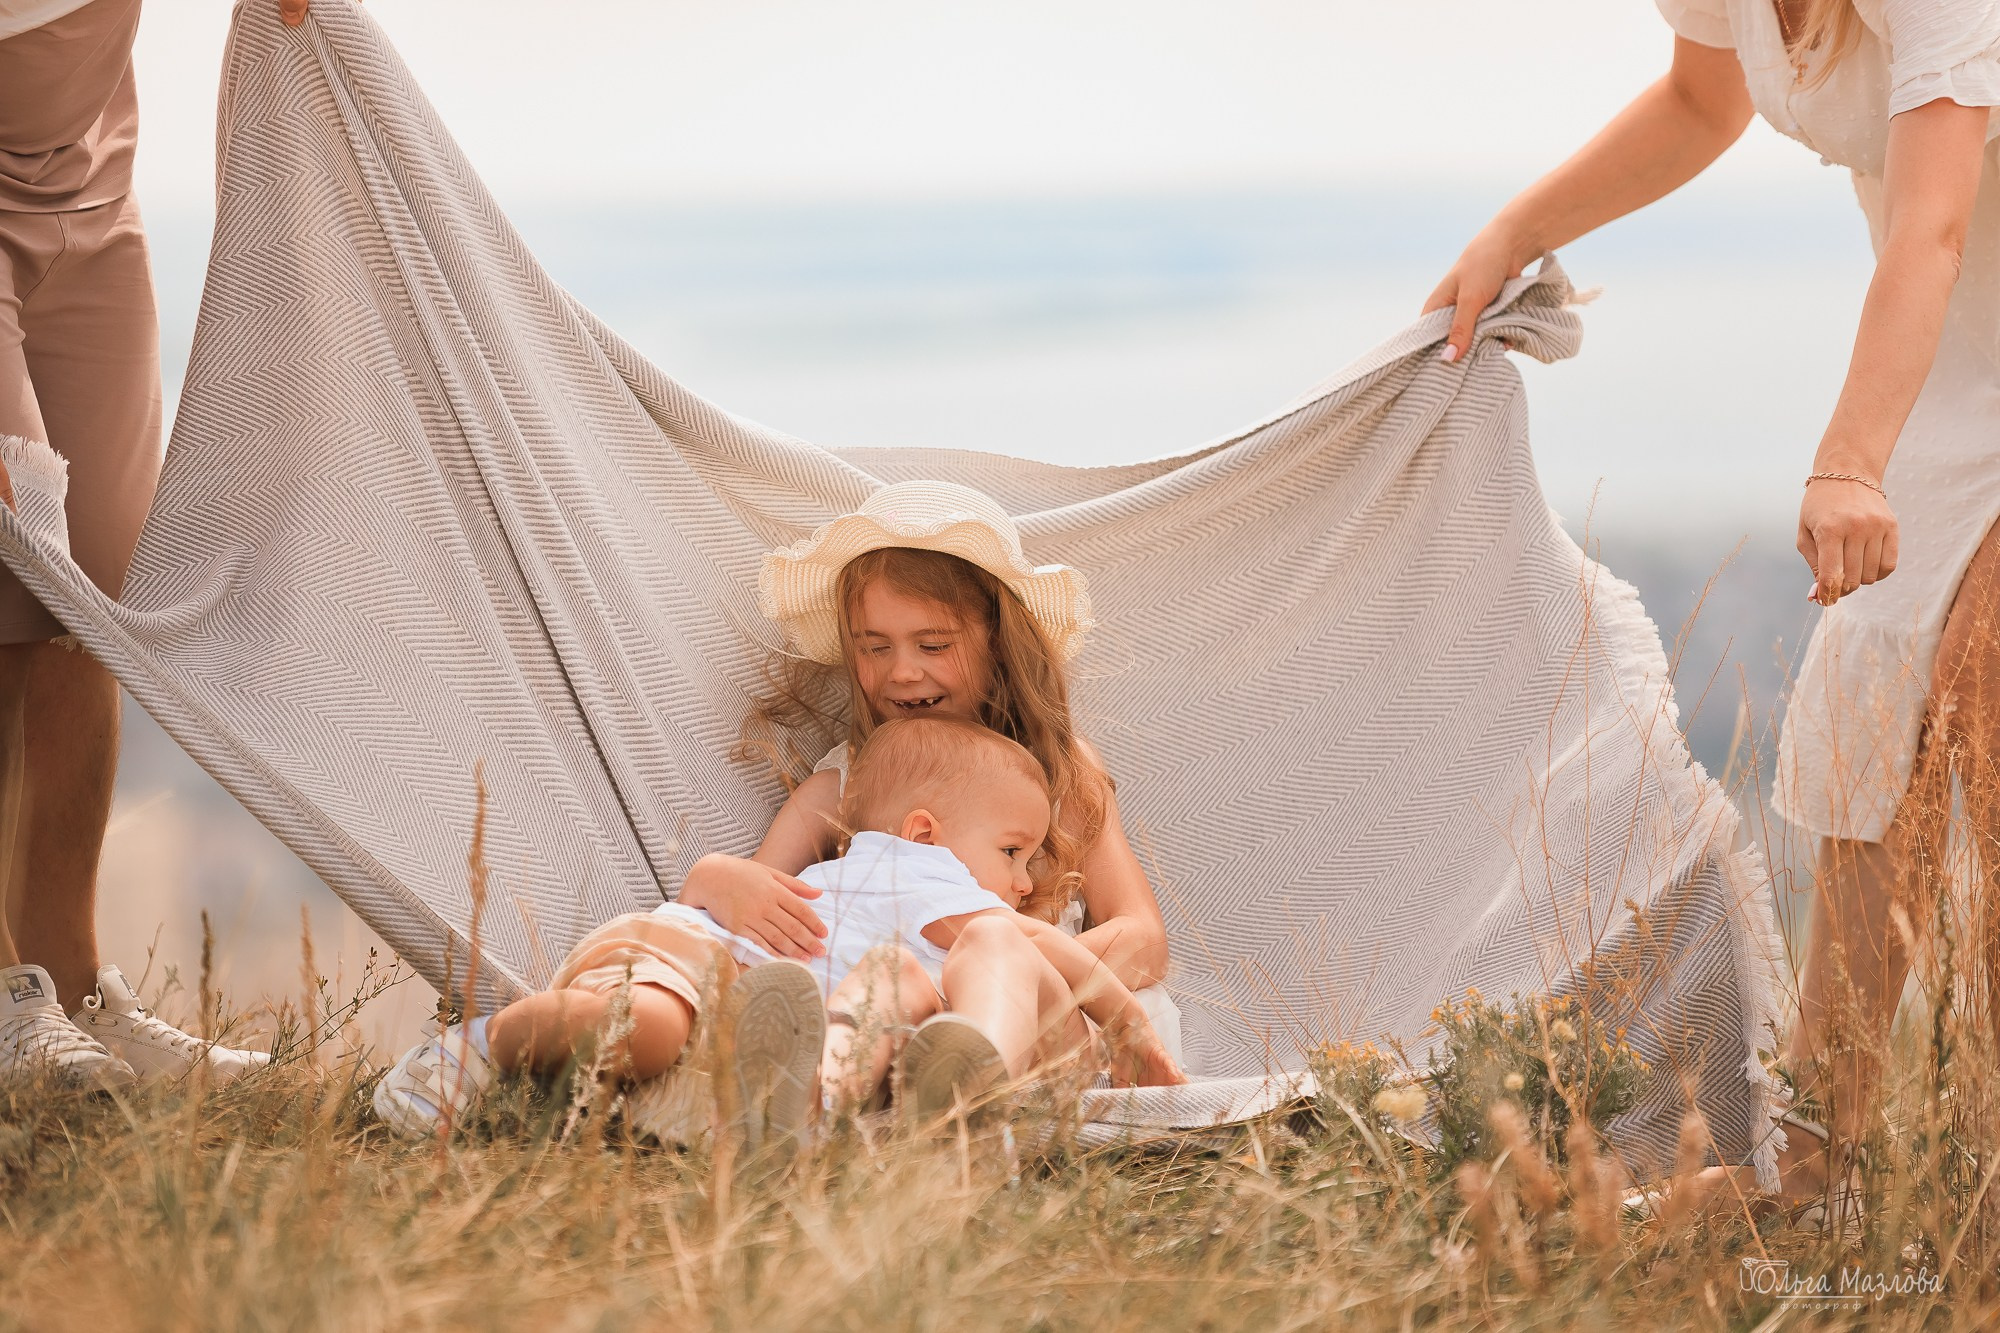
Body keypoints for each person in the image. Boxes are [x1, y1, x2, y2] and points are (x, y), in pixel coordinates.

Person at [1429, 0, 1999, 1213]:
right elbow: (1700, 100)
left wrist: (1847, 459)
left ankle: (1978, 1165)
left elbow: (1933, 224)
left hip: (1938, 316)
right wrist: (1514, 231)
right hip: (1953, 366)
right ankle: (1813, 1166)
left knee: (1984, 704)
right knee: (1861, 719)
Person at [370, 714, 1181, 1141]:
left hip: (746, 993)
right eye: (1013, 851)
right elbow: (1039, 943)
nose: (1026, 878)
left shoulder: (881, 902)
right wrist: (1131, 1026)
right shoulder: (928, 875)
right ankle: (474, 1047)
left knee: (659, 1030)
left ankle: (809, 1103)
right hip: (700, 955)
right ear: (927, 831)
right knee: (645, 1023)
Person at [0, 0, 313, 1083]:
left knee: (92, 599)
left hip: (92, 198)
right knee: (9, 558)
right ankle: (1, 1002)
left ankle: (70, 988)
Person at [679, 480, 1179, 1074]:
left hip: (1044, 1014)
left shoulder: (1058, 769)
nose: (904, 671)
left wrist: (999, 969)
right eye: (874, 648)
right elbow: (767, 907)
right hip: (884, 1022)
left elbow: (1143, 938)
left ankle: (972, 1058)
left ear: (998, 641)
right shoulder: (842, 787)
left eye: (934, 644)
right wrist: (715, 877)